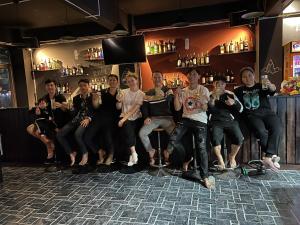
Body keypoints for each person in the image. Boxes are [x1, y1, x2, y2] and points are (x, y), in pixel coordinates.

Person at [166, 69, 213, 189]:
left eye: (194, 74)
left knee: (201, 147)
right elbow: (177, 108)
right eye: (190, 74)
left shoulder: (203, 89)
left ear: (198, 76)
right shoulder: (184, 91)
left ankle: (205, 176)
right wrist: (177, 94)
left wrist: (202, 102)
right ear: (187, 77)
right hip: (186, 119)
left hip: (200, 120)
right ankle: (179, 156)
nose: (191, 76)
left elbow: (206, 108)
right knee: (173, 139)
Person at [234, 67, 282, 171]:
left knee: (277, 127)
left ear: (254, 76)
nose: (247, 78)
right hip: (252, 115)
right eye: (244, 77)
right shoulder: (239, 90)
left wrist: (271, 85)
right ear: (241, 79)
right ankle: (272, 157)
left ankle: (268, 157)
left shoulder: (261, 86)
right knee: (261, 131)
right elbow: (231, 98)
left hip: (267, 113)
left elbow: (273, 90)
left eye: (249, 75)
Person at [27, 79, 69, 164]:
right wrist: (38, 111)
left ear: (55, 86)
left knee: (40, 132)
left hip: (58, 123)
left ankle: (50, 152)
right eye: (48, 86)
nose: (50, 87)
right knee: (30, 128)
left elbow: (66, 110)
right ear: (45, 87)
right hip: (48, 122)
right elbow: (41, 114)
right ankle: (49, 143)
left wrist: (61, 106)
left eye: (51, 85)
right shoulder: (44, 98)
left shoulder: (60, 97)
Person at [57, 79, 97, 166]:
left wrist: (89, 118)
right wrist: (71, 109)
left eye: (84, 85)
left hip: (86, 120)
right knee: (59, 134)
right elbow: (74, 113)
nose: (82, 87)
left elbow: (96, 110)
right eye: (81, 85)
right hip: (76, 120)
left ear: (89, 86)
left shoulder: (93, 96)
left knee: (77, 134)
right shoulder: (76, 98)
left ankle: (85, 153)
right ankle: (71, 153)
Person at [139, 71, 175, 166]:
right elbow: (144, 106)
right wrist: (146, 117)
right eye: (155, 77)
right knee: (142, 133)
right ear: (152, 79)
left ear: (162, 78)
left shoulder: (168, 90)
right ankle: (150, 150)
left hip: (167, 118)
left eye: (159, 77)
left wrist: (162, 95)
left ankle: (167, 151)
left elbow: (170, 99)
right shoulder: (149, 92)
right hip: (154, 118)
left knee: (176, 134)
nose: (157, 79)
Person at [208, 76, 244, 170]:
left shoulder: (230, 94)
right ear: (214, 84)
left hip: (230, 121)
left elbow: (241, 109)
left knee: (239, 138)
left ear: (225, 85)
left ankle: (231, 157)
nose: (219, 85)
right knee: (215, 139)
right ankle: (220, 160)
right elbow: (206, 110)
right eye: (217, 83)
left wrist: (234, 103)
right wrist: (211, 102)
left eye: (222, 83)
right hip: (215, 122)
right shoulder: (209, 94)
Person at [84, 74, 120, 166]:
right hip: (100, 118)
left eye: (114, 80)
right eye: (110, 80)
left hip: (113, 119)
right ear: (108, 82)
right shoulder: (102, 92)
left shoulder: (120, 93)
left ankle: (111, 155)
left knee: (108, 135)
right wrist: (95, 99)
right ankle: (99, 151)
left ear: (117, 81)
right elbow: (96, 106)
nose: (112, 82)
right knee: (87, 136)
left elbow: (120, 108)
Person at [116, 73, 145, 166]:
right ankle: (133, 153)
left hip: (136, 117)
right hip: (125, 116)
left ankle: (131, 155)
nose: (131, 82)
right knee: (127, 127)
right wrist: (119, 100)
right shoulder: (123, 92)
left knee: (128, 127)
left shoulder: (141, 94)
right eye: (128, 81)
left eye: (132, 80)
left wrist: (122, 120)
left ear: (136, 80)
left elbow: (134, 110)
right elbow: (118, 107)